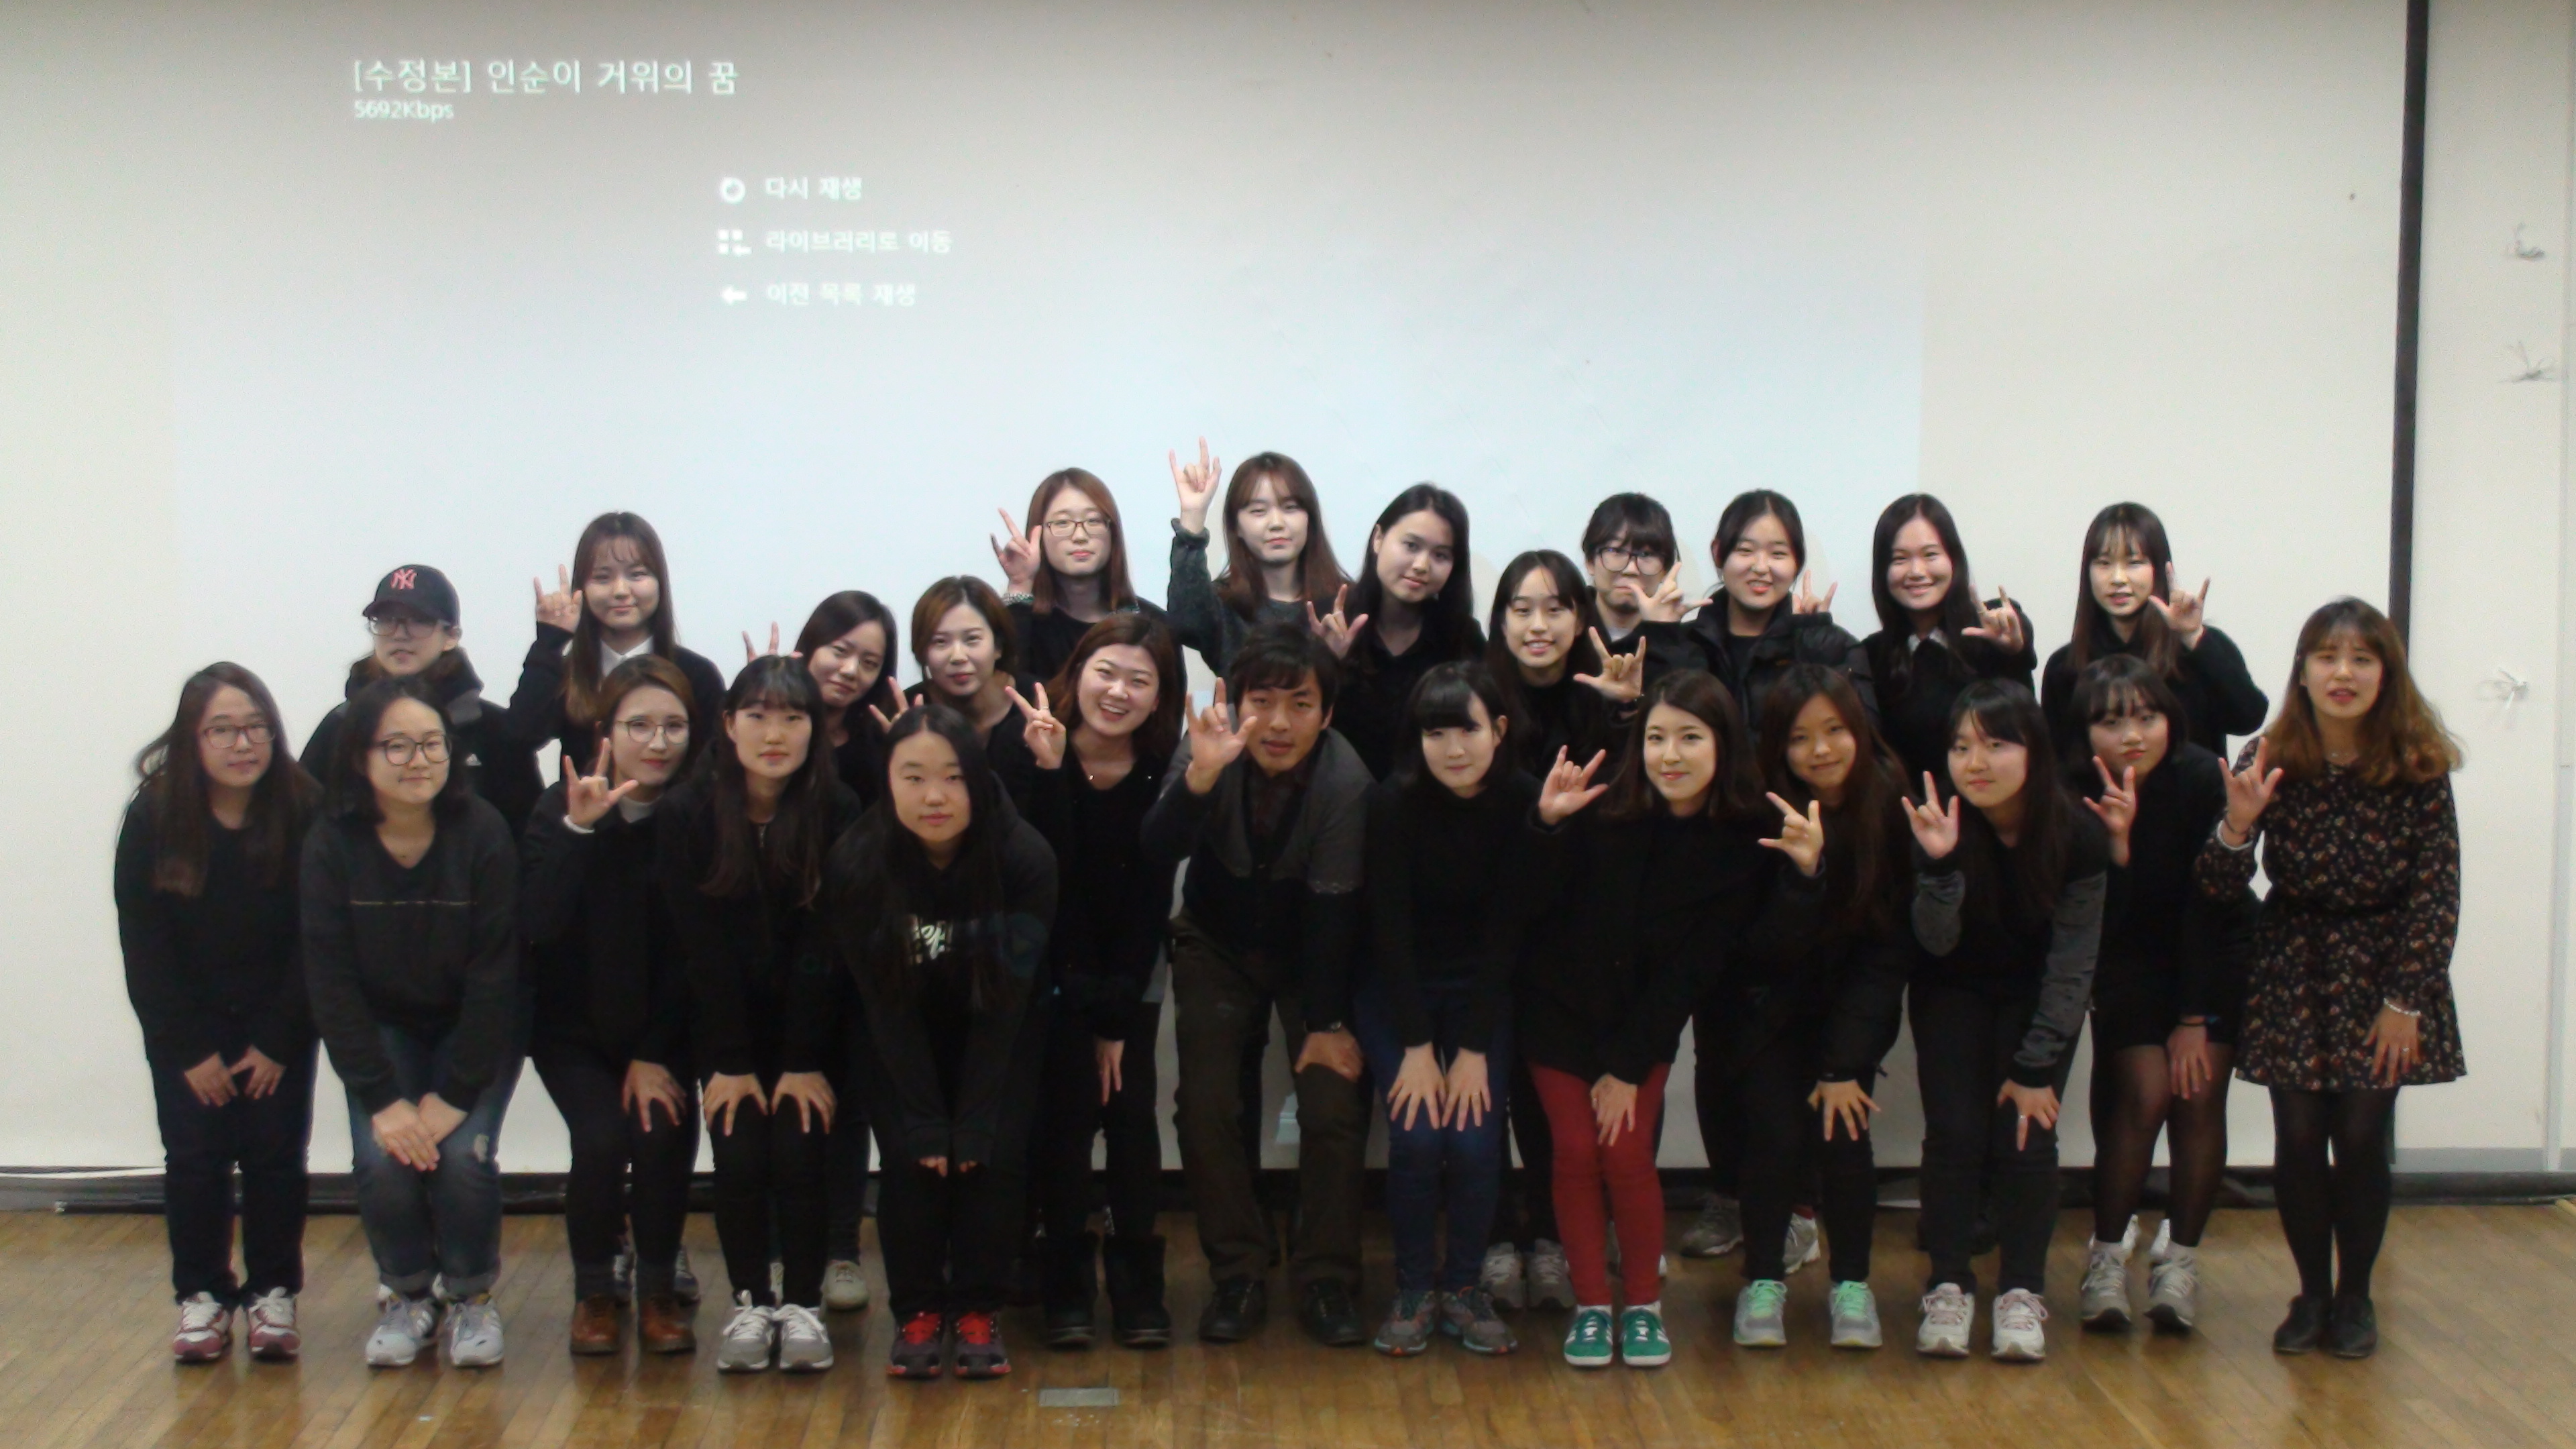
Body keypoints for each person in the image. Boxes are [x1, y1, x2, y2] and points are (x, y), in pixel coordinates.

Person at [2196, 598, 2463, 1360]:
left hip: (2387, 969)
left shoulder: (2417, 761)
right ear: (2304, 671)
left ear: (2386, 673)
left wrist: (2406, 1000)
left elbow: (2438, 891)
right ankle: (2312, 1294)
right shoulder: (2270, 753)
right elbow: (2216, 887)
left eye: (2362, 659)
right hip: (2295, 961)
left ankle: (2356, 1296)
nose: (2343, 673)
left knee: (2361, 1133)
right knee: (2300, 1136)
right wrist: (2237, 825)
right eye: (2327, 657)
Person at [1521, 670, 1766, 1370]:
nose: (1670, 755)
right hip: (1558, 1012)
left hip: (1641, 1025)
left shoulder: (1739, 841)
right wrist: (1546, 826)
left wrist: (1628, 1065)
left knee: (1626, 1153)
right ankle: (1592, 1307)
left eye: (1690, 738)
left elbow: (1693, 971)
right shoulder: (1604, 807)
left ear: (1724, 745)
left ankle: (1645, 1305)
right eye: (1656, 738)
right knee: (1575, 1152)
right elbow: (1530, 906)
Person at [1141, 624, 1374, 1348]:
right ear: (1236, 701)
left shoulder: (1347, 780)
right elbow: (1157, 847)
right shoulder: (1208, 744)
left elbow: (1335, 911)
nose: (1277, 723)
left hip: (1315, 953)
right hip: (1215, 940)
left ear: (1326, 714)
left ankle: (1326, 1276)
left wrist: (1327, 1025)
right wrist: (1201, 778)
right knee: (1205, 1103)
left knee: (1333, 1102)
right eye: (1262, 701)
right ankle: (1237, 1272)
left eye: (1299, 704)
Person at [1656, 490, 1874, 1260]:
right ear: (1718, 556)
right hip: (1713, 866)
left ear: (1797, 562)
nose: (1762, 566)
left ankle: (1799, 1206)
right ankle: (1729, 1194)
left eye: (1779, 552)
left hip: (1801, 861)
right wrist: (1656, 639)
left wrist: (1812, 650)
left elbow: (1856, 738)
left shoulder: (1828, 643)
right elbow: (1660, 736)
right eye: (1746, 549)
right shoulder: (1686, 638)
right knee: (1716, 1049)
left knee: (1793, 1041)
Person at [809, 706, 1058, 1380]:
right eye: (913, 777)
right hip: (898, 1028)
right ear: (887, 781)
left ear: (978, 779)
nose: (935, 796)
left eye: (953, 777)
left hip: (1000, 1025)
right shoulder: (858, 861)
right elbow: (883, 1003)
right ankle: (918, 1309)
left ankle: (979, 1307)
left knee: (990, 1158)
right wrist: (924, 1119)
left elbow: (1007, 1002)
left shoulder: (1024, 857)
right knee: (912, 1159)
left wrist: (973, 1119)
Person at [303, 680, 521, 1369]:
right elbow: (330, 981)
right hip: (383, 1025)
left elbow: (497, 975)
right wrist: (382, 1097)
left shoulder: (482, 831)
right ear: (359, 757)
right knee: (385, 1157)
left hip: (474, 1026)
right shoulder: (331, 842)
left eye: (432, 744)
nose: (418, 759)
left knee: (460, 1158)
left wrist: (455, 1093)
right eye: (396, 745)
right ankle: (407, 1294)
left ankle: (471, 1297)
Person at [657, 656, 861, 1373]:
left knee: (803, 1152)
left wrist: (803, 1060)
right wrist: (732, 1062)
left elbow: (826, 944)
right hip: (725, 1027)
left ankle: (802, 1304)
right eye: (757, 716)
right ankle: (750, 1302)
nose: (774, 734)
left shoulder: (839, 809)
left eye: (793, 718)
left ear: (816, 729)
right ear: (727, 724)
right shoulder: (686, 812)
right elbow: (699, 948)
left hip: (817, 1026)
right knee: (740, 1152)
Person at [117, 663, 322, 1362]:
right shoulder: (153, 816)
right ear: (191, 740)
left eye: (256, 727)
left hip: (278, 1020)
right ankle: (201, 1295)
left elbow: (316, 936)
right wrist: (187, 1048)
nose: (243, 744)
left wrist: (280, 1038)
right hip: (190, 1025)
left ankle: (273, 1292)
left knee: (276, 1158)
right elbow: (145, 946)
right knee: (195, 1160)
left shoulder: (303, 806)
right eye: (223, 730)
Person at [1902, 682, 2107, 1363]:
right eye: (1962, 746)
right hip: (1951, 989)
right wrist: (1939, 866)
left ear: (2035, 750)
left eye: (1995, 744)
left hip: (2038, 995)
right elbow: (1934, 944)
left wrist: (2036, 1064)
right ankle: (1949, 1285)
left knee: (2026, 1136)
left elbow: (2074, 962)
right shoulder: (1939, 818)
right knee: (1954, 1134)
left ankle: (2021, 1291)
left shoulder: (2076, 830)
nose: (1976, 762)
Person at [521, 657, 704, 1356]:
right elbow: (537, 924)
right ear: (607, 732)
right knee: (600, 1143)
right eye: (640, 726)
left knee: (660, 1134)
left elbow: (696, 950)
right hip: (572, 1030)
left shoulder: (698, 813)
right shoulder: (558, 807)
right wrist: (578, 830)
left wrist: (653, 1052)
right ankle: (595, 1291)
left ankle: (657, 1289)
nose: (658, 742)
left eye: (674, 726)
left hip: (664, 1028)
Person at [1009, 616, 1183, 1350]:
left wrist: (1116, 1017)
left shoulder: (1162, 768)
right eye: (1106, 672)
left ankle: (1138, 1278)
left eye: (1139, 681)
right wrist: (1051, 774)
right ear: (1076, 672)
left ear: (1159, 698)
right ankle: (1066, 1278)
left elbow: (1150, 895)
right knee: (1066, 1118)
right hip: (1052, 970)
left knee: (1132, 1115)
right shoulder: (1029, 752)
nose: (1118, 692)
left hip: (1130, 971)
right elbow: (1052, 884)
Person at [1357, 662, 1540, 1358]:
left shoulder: (1522, 799)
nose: (1453, 748)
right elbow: (1388, 931)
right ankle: (1413, 1290)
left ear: (1499, 729)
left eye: (1467, 730)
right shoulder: (1391, 802)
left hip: (1480, 990)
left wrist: (1470, 1049)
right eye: (1435, 733)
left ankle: (1463, 1288)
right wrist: (1414, 1047)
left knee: (1472, 1137)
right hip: (1395, 987)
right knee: (1417, 1135)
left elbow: (1507, 931)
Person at [1729, 664, 1915, 1350]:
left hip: (1852, 1015)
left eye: (1835, 730)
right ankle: (1761, 1279)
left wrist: (1844, 1064)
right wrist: (1805, 875)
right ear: (1779, 746)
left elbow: (1888, 953)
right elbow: (1762, 949)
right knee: (1773, 1142)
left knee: (1844, 1139)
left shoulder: (1890, 806)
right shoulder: (1760, 812)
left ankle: (1852, 1285)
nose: (1820, 750)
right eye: (1800, 737)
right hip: (1771, 1010)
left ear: (1860, 731)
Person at [1474, 549, 1640, 1310]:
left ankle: (1549, 1238)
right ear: (1500, 619)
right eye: (1521, 609)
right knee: (1492, 1099)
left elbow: (1635, 811)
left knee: (1549, 1106)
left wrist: (1626, 715)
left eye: (1555, 609)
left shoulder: (1607, 697)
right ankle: (1495, 1237)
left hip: (1578, 942)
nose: (1537, 625)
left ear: (1581, 618)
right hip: (1493, 928)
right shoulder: (1478, 697)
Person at [2068, 655, 2245, 1335]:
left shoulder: (2200, 776)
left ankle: (2180, 1261)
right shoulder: (2073, 787)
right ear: (2085, 731)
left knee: (2197, 1095)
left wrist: (2194, 1017)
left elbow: (2210, 902)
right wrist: (2116, 846)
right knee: (2145, 1094)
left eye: (2147, 717)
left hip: (2213, 953)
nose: (2133, 735)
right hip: (2129, 961)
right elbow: (2101, 921)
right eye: (2112, 722)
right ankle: (2107, 1256)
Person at [785, 588, 903, 1311]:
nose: (850, 671)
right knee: (783, 1101)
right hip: (777, 947)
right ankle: (783, 1252)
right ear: (809, 648)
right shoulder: (770, 726)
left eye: (869, 661)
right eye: (840, 651)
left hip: (856, 952)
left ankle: (840, 1251)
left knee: (849, 1103)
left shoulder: (880, 740)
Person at [303, 565, 542, 837]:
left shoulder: (492, 730)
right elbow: (302, 820)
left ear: (451, 636)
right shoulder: (341, 726)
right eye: (386, 620)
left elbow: (528, 832)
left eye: (419, 621)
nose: (400, 634)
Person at [508, 512, 727, 775]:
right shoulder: (568, 672)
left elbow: (718, 768)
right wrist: (549, 642)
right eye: (603, 578)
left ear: (659, 582)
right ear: (581, 588)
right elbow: (520, 737)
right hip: (583, 803)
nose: (621, 591)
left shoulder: (696, 675)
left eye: (637, 575)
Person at [2040, 502, 2267, 755]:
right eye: (2104, 563)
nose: (2118, 578)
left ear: (2158, 569)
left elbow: (2248, 719)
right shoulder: (2066, 665)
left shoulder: (2199, 647)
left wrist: (2193, 637)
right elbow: (2055, 762)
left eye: (2134, 563)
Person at [1860, 494, 2038, 782]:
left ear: (1953, 559)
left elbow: (2023, 723)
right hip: (1911, 806)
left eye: (1930, 555)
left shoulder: (1989, 628)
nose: (1916, 572)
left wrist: (2014, 649)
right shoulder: (1872, 655)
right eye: (1900, 559)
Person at [1320, 484, 1485, 780]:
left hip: (1428, 799)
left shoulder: (1462, 638)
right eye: (1411, 546)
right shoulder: (1330, 621)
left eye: (1440, 555)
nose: (1421, 565)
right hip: (1336, 795)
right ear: (1379, 539)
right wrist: (1326, 662)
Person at [1163, 441, 1351, 680]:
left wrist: (1336, 660)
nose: (1276, 523)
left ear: (1310, 520)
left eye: (1290, 508)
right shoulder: (1224, 604)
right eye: (1258, 511)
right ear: (1236, 527)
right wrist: (1193, 516)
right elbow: (1184, 622)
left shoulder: (1344, 603)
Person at [989, 468, 1170, 684]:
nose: (1080, 536)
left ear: (1112, 532)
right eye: (1062, 523)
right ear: (1038, 534)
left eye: (1093, 521)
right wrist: (1020, 584)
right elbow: (1003, 690)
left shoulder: (1151, 624)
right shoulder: (1025, 621)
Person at [906, 576, 1039, 808]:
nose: (958, 656)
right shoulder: (905, 711)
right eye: (940, 642)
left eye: (972, 639)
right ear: (922, 652)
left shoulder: (1040, 702)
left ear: (998, 646)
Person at [1579, 493, 1681, 647]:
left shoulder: (1681, 646)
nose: (1631, 569)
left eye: (1646, 554)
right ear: (1590, 561)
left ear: (1665, 569)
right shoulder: (1564, 636)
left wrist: (1662, 635)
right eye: (1617, 551)